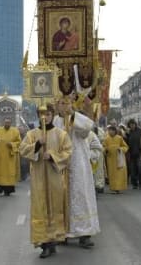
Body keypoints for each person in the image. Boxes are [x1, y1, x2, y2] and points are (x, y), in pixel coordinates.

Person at [20, 104, 72, 259]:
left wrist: (53, 156)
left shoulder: (61, 134)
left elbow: (68, 152)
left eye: (48, 114)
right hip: (38, 179)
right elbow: (23, 150)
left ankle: (53, 240)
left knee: (54, 208)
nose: (45, 117)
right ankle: (44, 244)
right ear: (38, 116)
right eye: (42, 114)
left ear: (52, 115)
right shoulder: (32, 134)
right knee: (41, 209)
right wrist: (37, 145)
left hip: (54, 177)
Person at [53, 96, 100, 248]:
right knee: (61, 197)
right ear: (57, 105)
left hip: (78, 163)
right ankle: (63, 232)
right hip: (61, 164)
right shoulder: (54, 121)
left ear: (72, 104)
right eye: (61, 103)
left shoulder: (78, 118)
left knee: (81, 195)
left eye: (66, 103)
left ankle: (84, 233)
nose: (64, 106)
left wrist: (72, 115)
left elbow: (86, 130)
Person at [0, 117, 21, 196]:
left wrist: (12, 144)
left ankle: (7, 190)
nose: (7, 124)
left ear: (10, 123)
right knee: (0, 172)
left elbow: (19, 142)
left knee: (9, 173)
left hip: (9, 156)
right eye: (6, 123)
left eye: (8, 123)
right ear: (3, 123)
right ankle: (0, 186)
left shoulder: (15, 131)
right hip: (0, 156)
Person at [103, 126, 129, 193]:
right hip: (110, 159)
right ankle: (113, 188)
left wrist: (120, 149)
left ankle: (119, 188)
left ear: (115, 131)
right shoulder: (106, 139)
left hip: (119, 158)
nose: (110, 132)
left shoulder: (119, 138)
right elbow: (103, 147)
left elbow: (125, 146)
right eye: (109, 130)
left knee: (119, 173)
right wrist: (106, 151)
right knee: (112, 174)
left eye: (111, 130)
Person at [127, 119, 141, 190]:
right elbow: (126, 142)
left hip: (140, 153)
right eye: (130, 125)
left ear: (135, 124)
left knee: (140, 168)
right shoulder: (128, 132)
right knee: (133, 170)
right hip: (132, 154)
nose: (132, 126)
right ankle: (134, 184)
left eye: (133, 124)